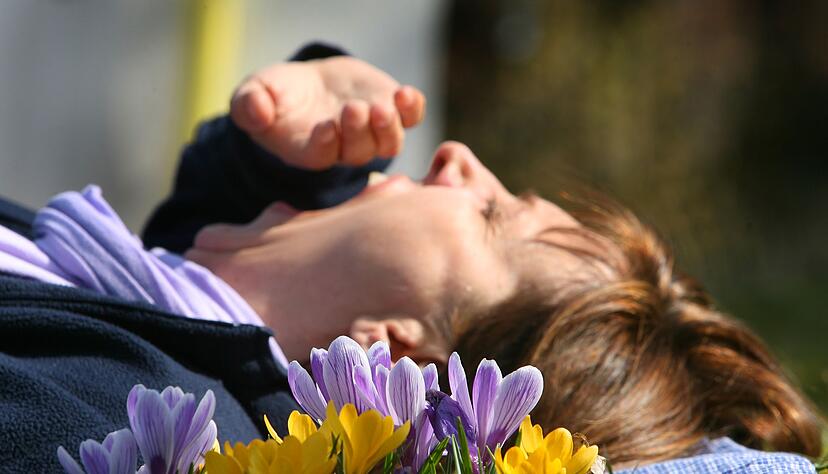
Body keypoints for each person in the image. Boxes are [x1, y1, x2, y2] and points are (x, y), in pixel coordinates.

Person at [0, 44, 822, 472]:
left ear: (393, 356)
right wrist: (273, 159)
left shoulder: (111, 428)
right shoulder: (143, 307)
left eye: (494, 214)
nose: (457, 157)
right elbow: (190, 273)